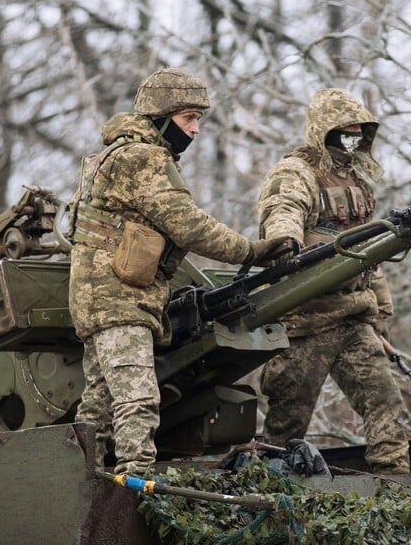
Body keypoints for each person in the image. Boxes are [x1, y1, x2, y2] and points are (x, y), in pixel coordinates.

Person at [68, 67, 288, 476]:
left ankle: (81, 485)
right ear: (164, 117)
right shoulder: (143, 158)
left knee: (98, 406)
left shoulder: (115, 154)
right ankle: (136, 488)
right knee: (137, 400)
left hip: (101, 299)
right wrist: (252, 251)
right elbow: (189, 226)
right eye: (190, 119)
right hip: (120, 301)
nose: (195, 129)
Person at [257, 87, 411, 474]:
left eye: (359, 130)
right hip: (304, 322)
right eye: (344, 130)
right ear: (324, 130)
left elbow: (369, 258)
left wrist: (379, 320)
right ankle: (264, 494)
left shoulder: (357, 182)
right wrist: (286, 242)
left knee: (385, 403)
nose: (353, 137)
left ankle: (396, 489)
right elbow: (283, 210)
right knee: (285, 427)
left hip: (353, 318)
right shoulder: (297, 173)